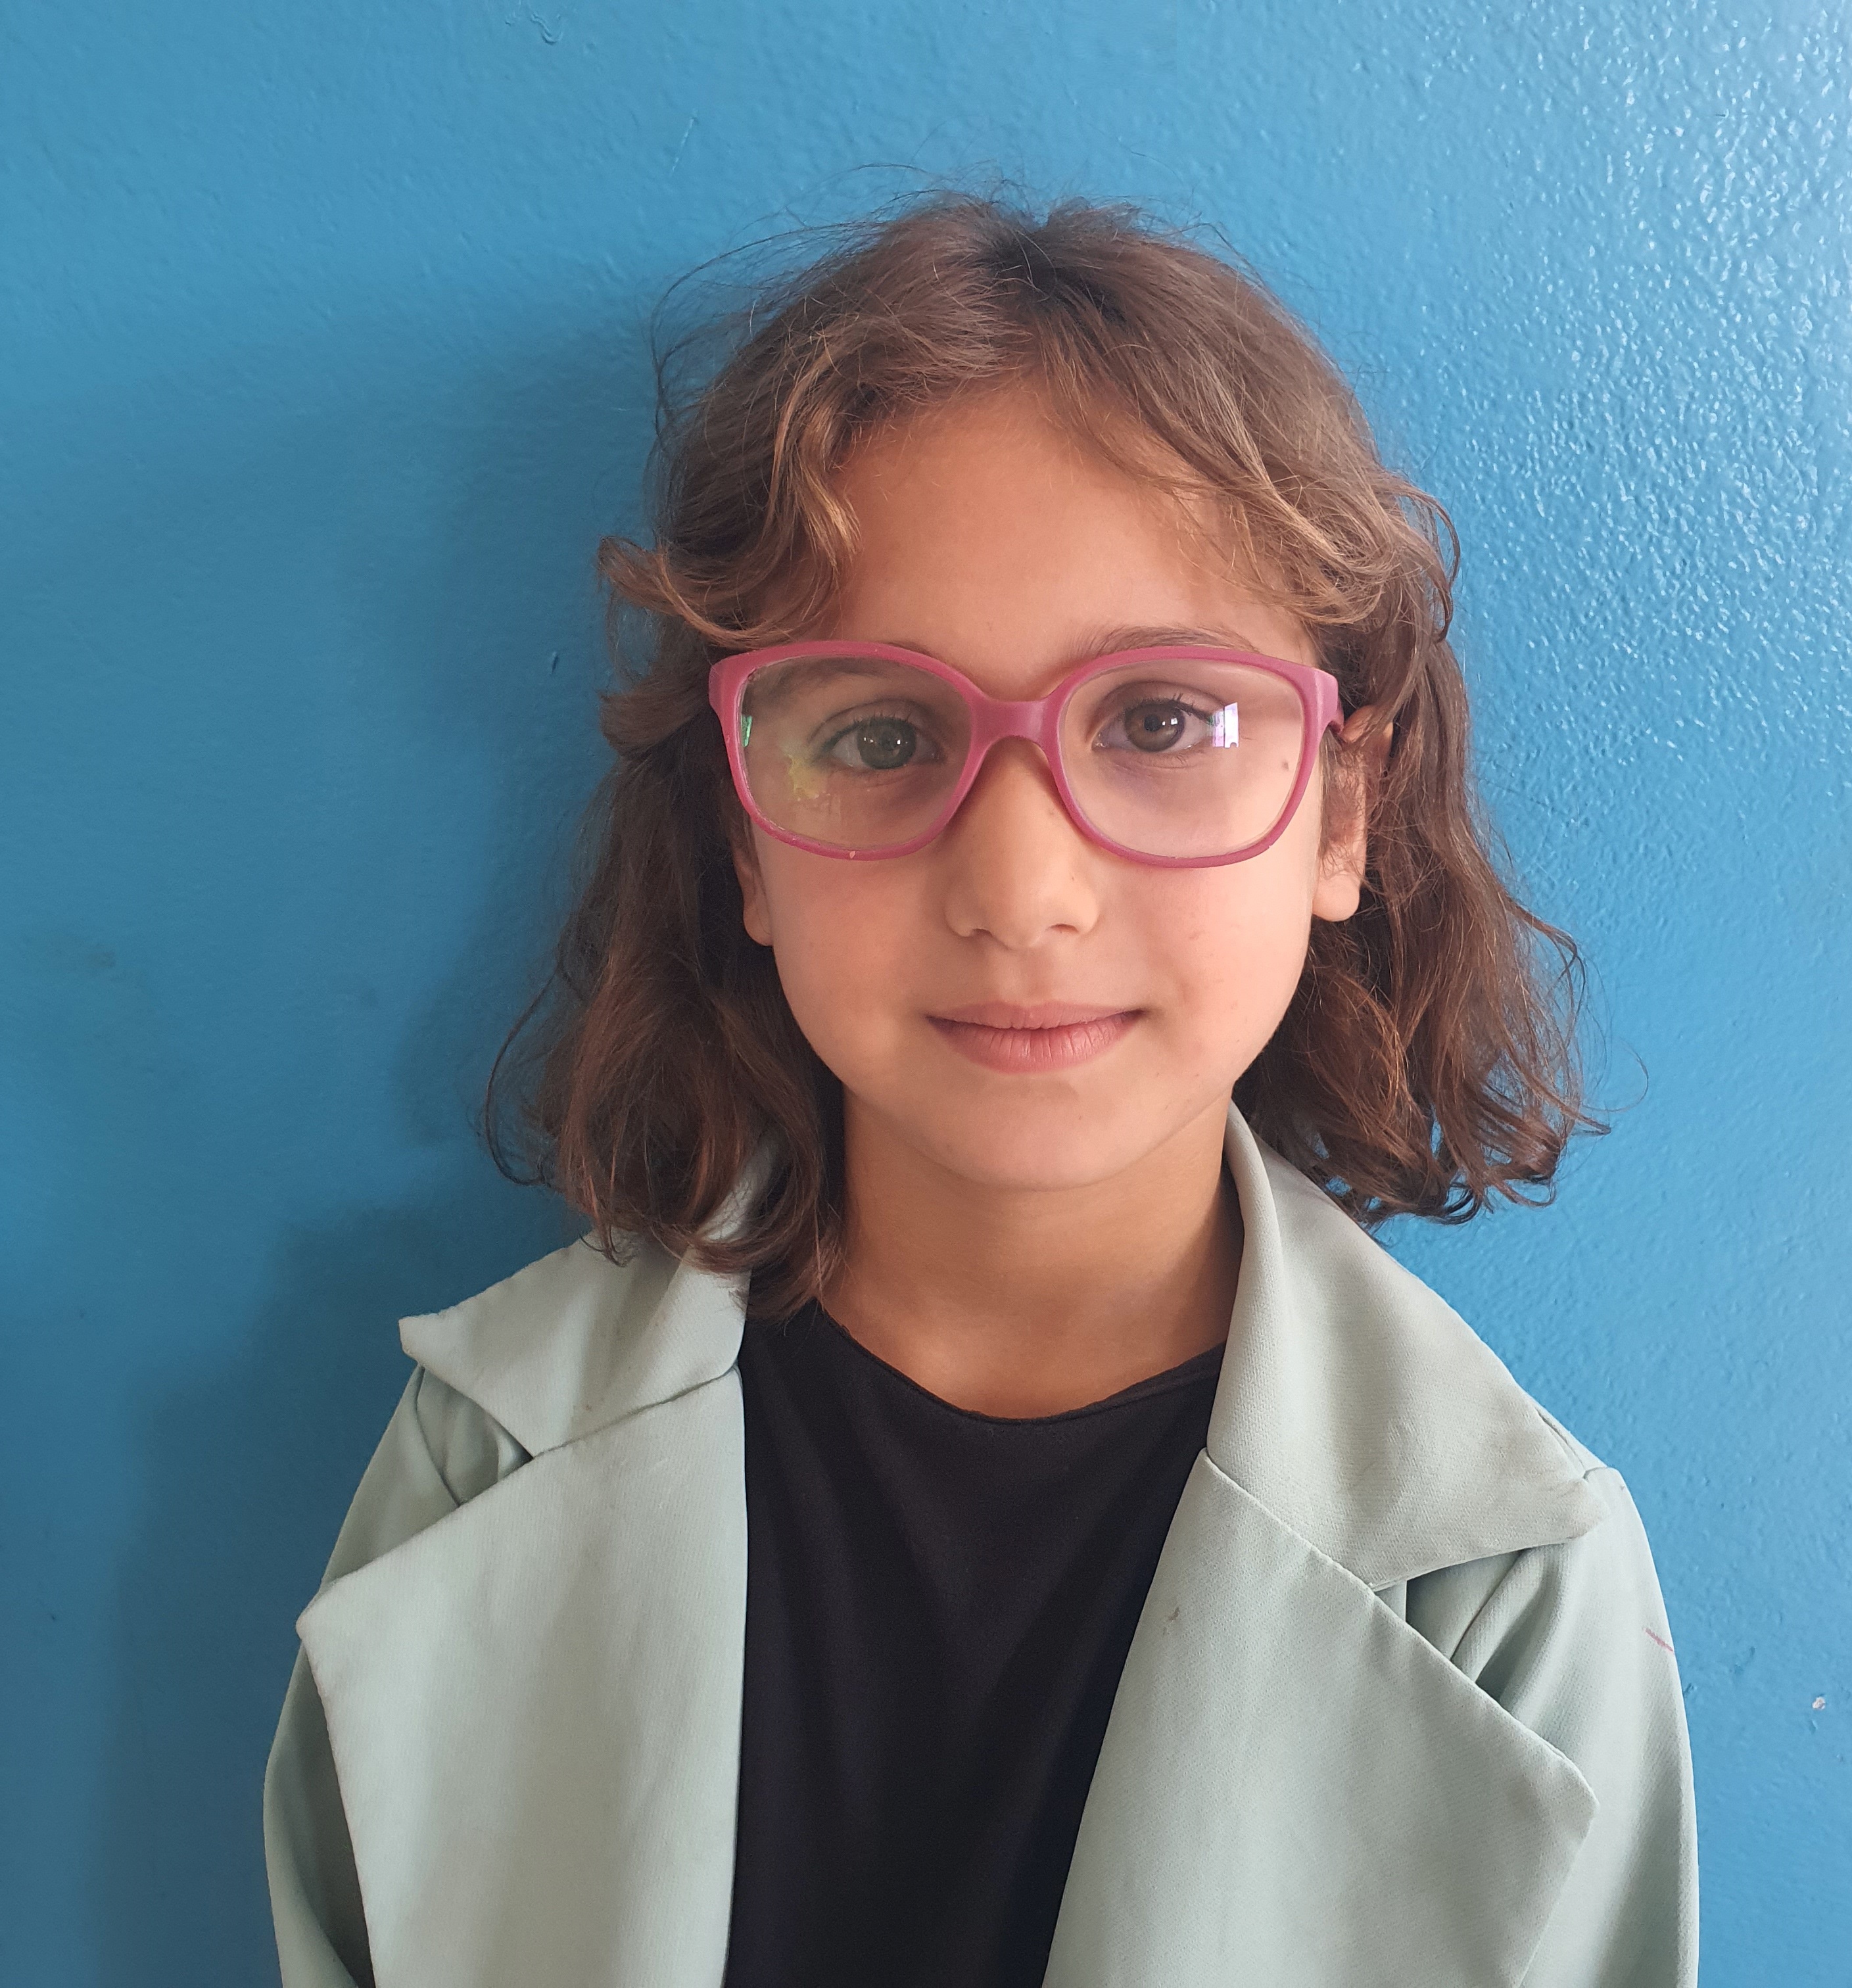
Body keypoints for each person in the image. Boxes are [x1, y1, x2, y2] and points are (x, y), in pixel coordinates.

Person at [264, 194, 1696, 1988]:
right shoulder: (480, 1465)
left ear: (1341, 812)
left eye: (1162, 720)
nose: (1021, 892)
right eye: (879, 732)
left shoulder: (1513, 1592)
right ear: (744, 843)